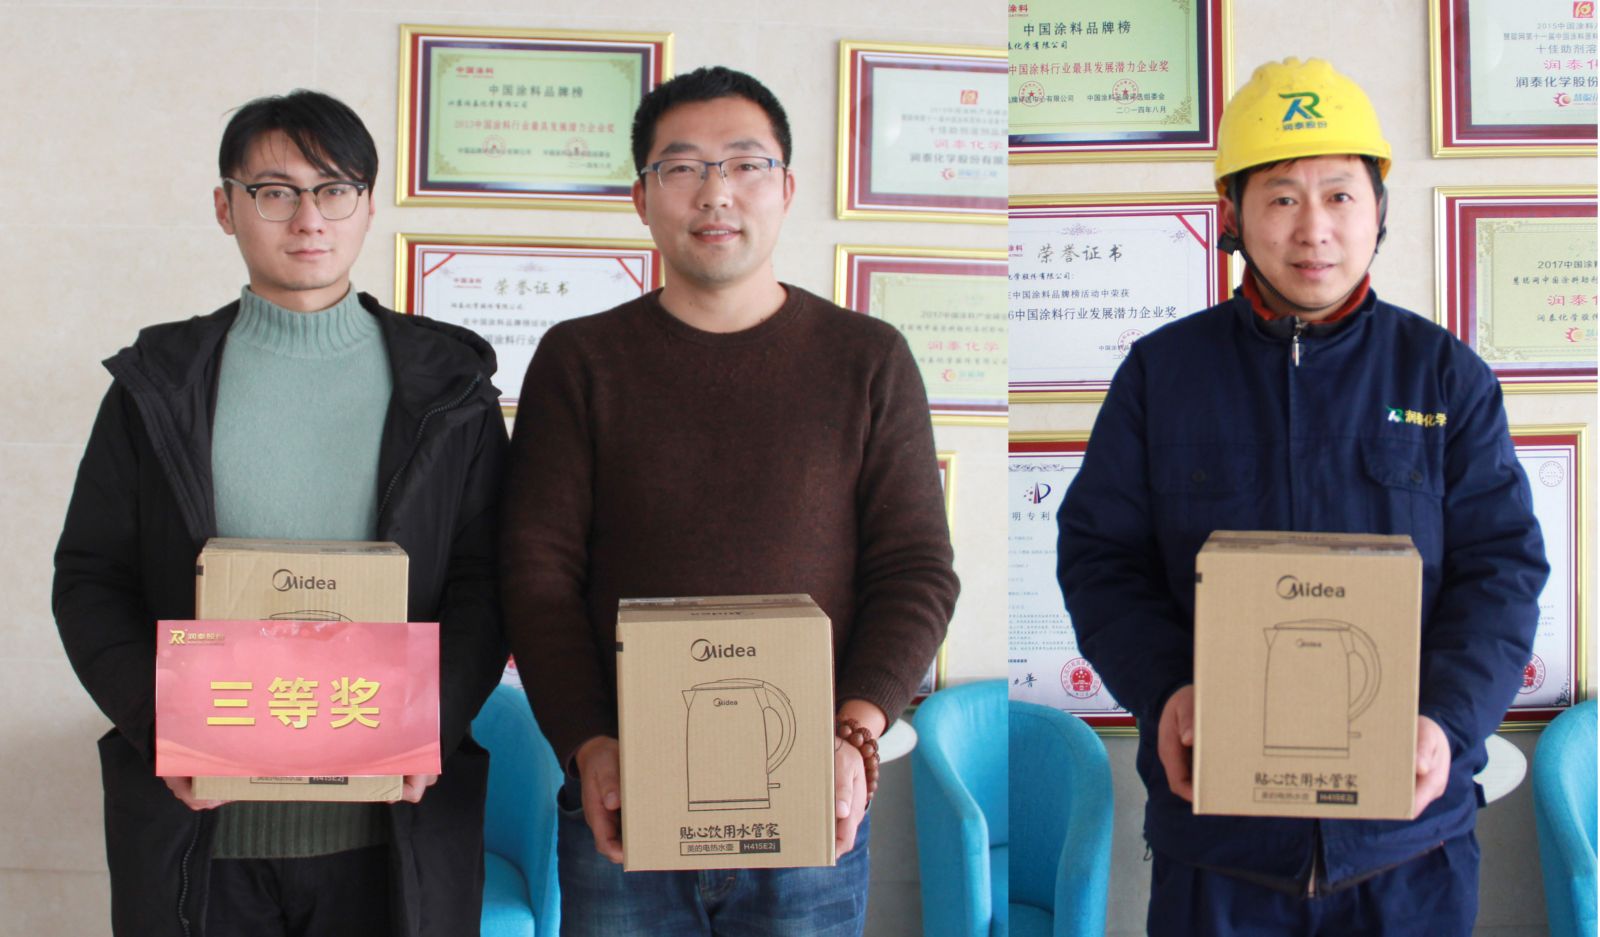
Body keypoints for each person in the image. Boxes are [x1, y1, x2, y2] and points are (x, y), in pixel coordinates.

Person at [1056, 58, 1547, 936]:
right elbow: (1101, 558)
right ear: (1233, 214)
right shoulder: (1162, 375)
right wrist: (1167, 688)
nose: (1313, 228)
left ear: (1379, 210)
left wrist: (1447, 719)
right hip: (1219, 847)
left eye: (1339, 195)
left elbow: (1502, 571)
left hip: (1408, 851)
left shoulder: (1444, 375)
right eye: (1281, 197)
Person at [500, 66, 959, 936]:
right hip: (624, 794)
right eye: (682, 167)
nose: (716, 192)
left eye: (746, 165)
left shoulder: (867, 358)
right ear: (642, 198)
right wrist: (589, 743)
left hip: (812, 799)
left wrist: (855, 734)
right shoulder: (580, 360)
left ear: (787, 189)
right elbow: (537, 573)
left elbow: (917, 570)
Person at [52, 89, 508, 937]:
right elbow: (90, 579)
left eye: (334, 188)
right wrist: (165, 726)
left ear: (368, 205)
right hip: (201, 835)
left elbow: (487, 579)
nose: (308, 217)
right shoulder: (158, 384)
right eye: (275, 191)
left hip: (390, 833)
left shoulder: (450, 388)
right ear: (225, 207)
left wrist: (432, 725)